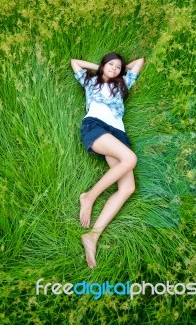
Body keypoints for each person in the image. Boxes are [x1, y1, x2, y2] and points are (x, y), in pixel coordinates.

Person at [71, 52, 144, 269]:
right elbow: (74, 62)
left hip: (118, 134)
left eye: (118, 66)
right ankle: (89, 196)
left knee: (128, 188)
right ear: (103, 65)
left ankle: (92, 235)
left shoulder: (123, 85)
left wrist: (120, 71)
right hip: (96, 126)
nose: (114, 68)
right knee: (130, 159)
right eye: (110, 64)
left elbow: (139, 62)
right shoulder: (90, 81)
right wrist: (100, 67)